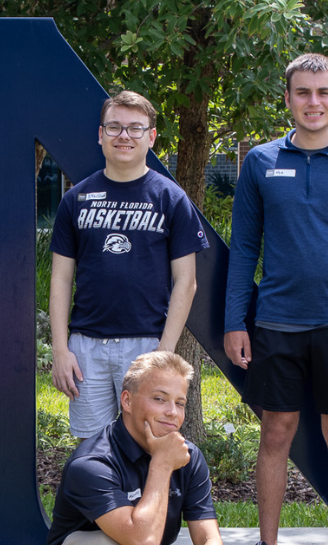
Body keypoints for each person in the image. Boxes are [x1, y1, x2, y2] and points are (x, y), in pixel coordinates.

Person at [222, 52, 328, 545]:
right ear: (290, 98)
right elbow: (243, 250)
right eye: (303, 92)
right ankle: (268, 541)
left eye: (323, 93)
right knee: (276, 434)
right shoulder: (260, 161)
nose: (312, 102)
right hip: (275, 323)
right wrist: (237, 320)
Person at [49, 90, 208, 440]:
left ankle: (146, 499)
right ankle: (101, 500)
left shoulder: (171, 198)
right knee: (90, 447)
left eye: (135, 128)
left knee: (148, 442)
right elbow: (60, 279)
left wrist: (164, 353)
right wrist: (60, 350)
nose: (124, 136)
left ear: (151, 137)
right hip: (86, 346)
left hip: (145, 345)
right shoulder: (75, 200)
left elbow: (187, 282)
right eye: (115, 127)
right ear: (100, 134)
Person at [47, 351, 222, 545]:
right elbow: (142, 541)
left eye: (179, 403)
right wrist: (162, 464)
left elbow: (209, 536)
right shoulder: (91, 464)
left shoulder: (188, 456)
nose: (172, 412)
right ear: (127, 401)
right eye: (159, 399)